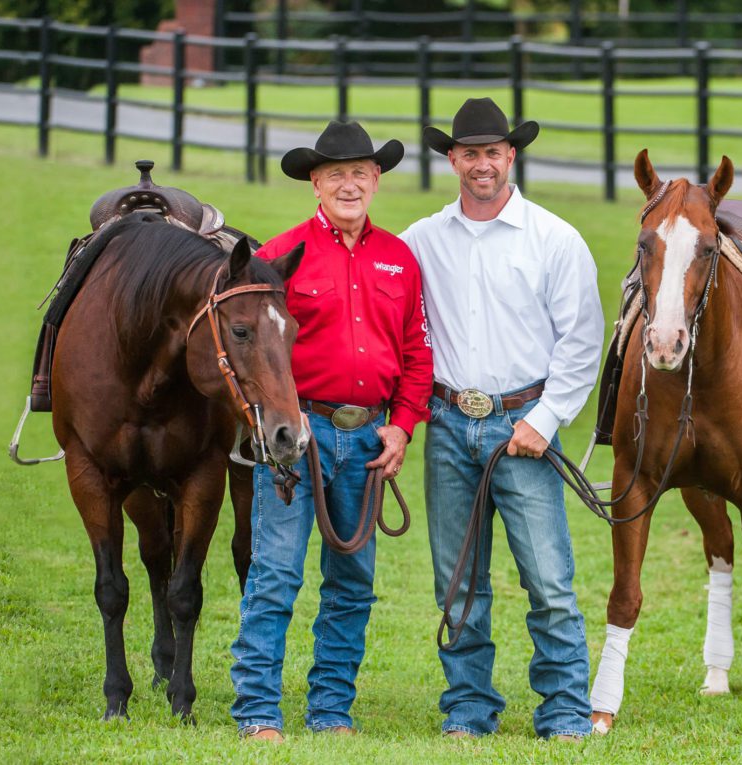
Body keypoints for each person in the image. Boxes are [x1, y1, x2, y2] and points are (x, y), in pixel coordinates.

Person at [400, 98, 604, 741]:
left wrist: (545, 420)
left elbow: (581, 340)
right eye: (469, 153)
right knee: (457, 581)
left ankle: (565, 708)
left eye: (493, 152)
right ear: (452, 160)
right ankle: (468, 705)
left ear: (511, 156)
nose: (481, 164)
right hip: (451, 422)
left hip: (524, 424)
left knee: (548, 578)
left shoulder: (554, 239)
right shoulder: (422, 241)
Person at [230, 121, 433, 743]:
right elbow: (257, 354)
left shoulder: (399, 258)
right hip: (302, 434)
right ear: (315, 183)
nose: (350, 184)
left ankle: (331, 709)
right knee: (277, 574)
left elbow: (417, 354)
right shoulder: (280, 257)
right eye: (336, 174)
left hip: (370, 438)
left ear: (376, 181)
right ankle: (258, 709)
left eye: (361, 174)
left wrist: (401, 428)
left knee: (354, 583)